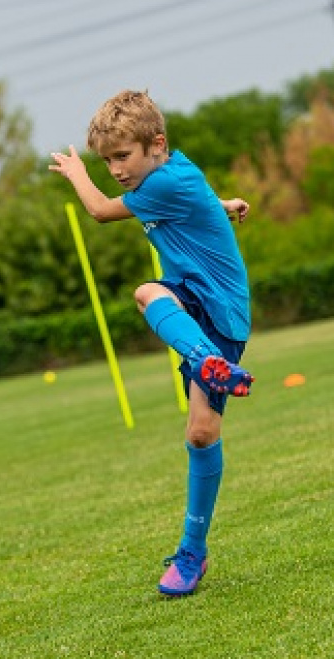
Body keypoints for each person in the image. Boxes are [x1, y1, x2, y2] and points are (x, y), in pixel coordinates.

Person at [49, 89, 253, 597]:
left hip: (220, 313)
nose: (115, 169)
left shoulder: (163, 183)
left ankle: (190, 551)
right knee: (149, 296)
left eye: (122, 157)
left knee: (200, 432)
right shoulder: (175, 174)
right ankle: (193, 556)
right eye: (106, 161)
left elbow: (99, 211)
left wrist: (79, 174)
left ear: (155, 144)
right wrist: (223, 203)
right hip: (189, 302)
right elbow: (198, 196)